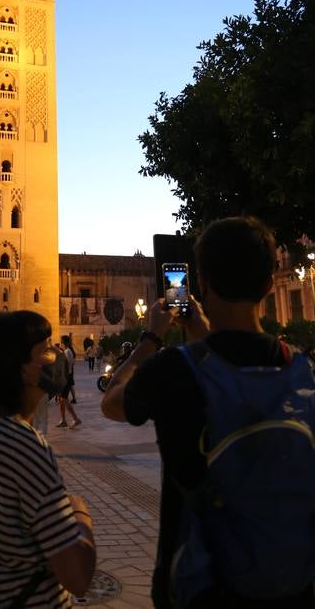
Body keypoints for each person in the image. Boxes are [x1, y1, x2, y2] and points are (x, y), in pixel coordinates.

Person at [101, 216, 315, 609]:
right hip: (291, 586)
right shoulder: (300, 369)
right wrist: (201, 333)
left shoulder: (176, 371)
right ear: (270, 283)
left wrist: (151, 337)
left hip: (202, 589)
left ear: (200, 282)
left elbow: (111, 401)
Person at [0, 310, 95, 605]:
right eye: (46, 349)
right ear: (23, 369)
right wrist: (81, 515)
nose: (57, 354)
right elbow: (77, 577)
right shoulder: (28, 449)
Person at [56, 336, 81, 428]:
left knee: (64, 400)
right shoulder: (69, 352)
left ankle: (75, 419)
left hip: (65, 378)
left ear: (64, 343)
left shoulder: (67, 352)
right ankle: (64, 420)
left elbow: (64, 367)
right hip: (67, 377)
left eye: (61, 342)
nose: (60, 343)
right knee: (61, 400)